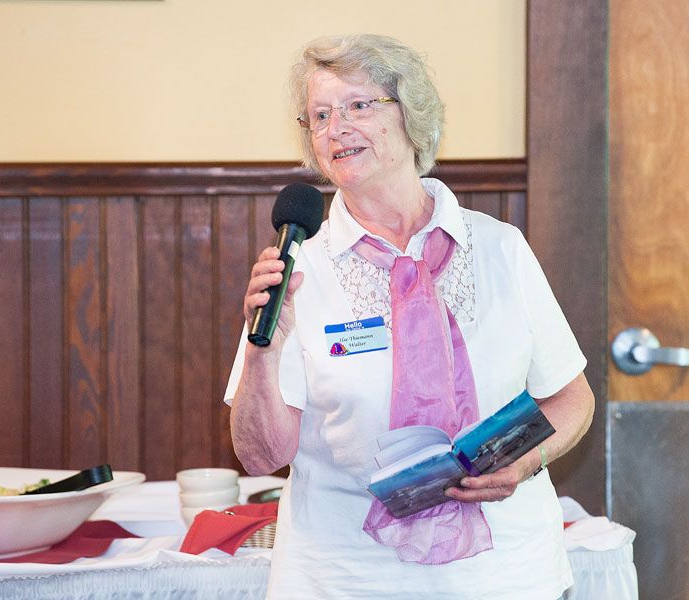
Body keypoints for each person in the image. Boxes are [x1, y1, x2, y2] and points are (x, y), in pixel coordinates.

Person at [224, 33, 595, 599]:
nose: (335, 127)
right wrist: (262, 350)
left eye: (358, 105)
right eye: (319, 115)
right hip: (346, 580)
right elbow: (260, 455)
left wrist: (526, 462)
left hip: (505, 575)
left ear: (410, 115)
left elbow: (571, 399)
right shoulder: (299, 271)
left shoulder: (499, 247)